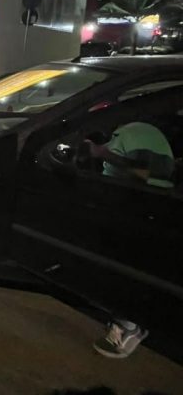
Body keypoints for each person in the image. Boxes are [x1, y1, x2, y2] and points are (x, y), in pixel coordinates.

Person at [83, 121, 174, 358]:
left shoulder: (140, 134)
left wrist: (105, 155)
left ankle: (128, 328)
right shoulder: (131, 133)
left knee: (124, 265)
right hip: (130, 202)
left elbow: (151, 174)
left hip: (143, 206)